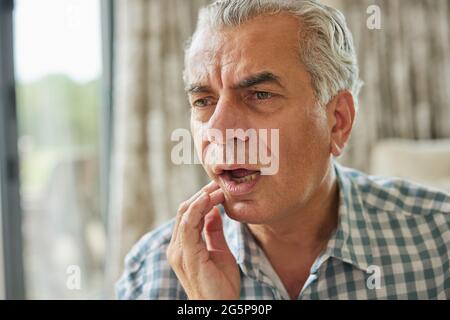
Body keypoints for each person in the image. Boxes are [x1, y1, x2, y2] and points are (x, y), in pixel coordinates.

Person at [116, 0, 450, 300]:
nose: (218, 130)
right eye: (203, 101)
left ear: (337, 121)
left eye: (260, 94)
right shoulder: (148, 274)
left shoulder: (440, 241)